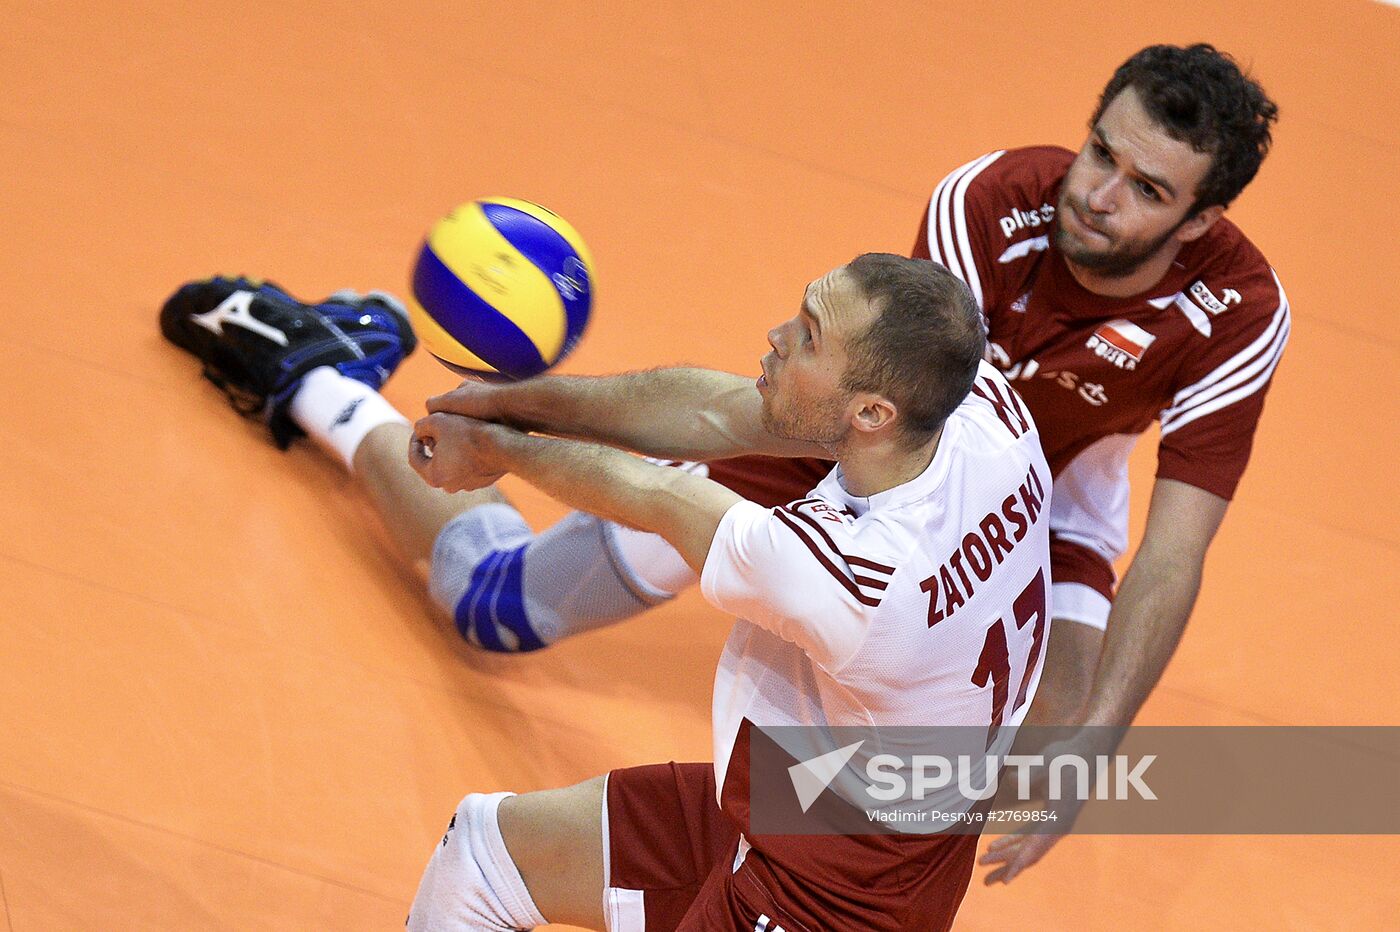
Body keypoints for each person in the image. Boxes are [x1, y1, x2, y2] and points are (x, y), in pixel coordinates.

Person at [160, 42, 1286, 884]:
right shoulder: (988, 205)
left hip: (1049, 496)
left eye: (1145, 189)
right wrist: (599, 459)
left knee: (1037, 742)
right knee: (489, 606)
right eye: (1100, 151)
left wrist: (1089, 747)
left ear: (1197, 222)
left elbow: (1171, 546)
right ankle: (326, 376)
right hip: (868, 469)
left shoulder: (1237, 309)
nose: (1094, 193)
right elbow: (846, 429)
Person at [400, 254, 1051, 930]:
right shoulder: (984, 409)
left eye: (808, 336)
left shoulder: (855, 578)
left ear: (872, 411)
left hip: (834, 899)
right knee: (483, 856)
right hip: (815, 794)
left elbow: (658, 495)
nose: (777, 335)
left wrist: (496, 450)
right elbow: (715, 414)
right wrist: (504, 406)